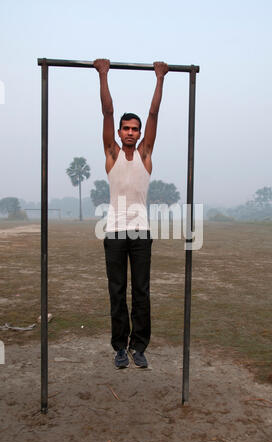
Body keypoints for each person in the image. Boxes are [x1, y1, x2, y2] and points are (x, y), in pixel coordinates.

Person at [93, 58, 168, 369]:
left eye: (134, 129)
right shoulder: (111, 154)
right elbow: (107, 112)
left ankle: (139, 347)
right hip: (113, 232)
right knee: (117, 293)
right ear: (119, 132)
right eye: (126, 128)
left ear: (139, 134)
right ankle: (119, 348)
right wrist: (103, 74)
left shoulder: (145, 155)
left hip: (140, 232)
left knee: (141, 293)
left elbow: (154, 114)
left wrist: (160, 78)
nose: (130, 132)